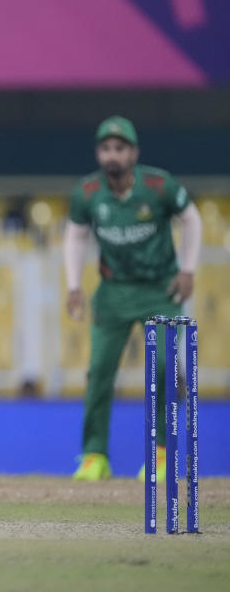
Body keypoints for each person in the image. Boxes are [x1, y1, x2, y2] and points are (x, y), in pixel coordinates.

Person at [64, 115, 202, 481]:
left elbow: (192, 219)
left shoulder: (158, 185)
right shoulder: (89, 193)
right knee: (98, 373)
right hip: (113, 292)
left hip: (160, 290)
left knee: (164, 370)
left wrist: (188, 269)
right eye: (106, 148)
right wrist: (74, 284)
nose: (112, 155)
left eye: (120, 149)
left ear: (134, 153)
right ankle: (94, 455)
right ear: (98, 153)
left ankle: (161, 456)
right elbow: (75, 235)